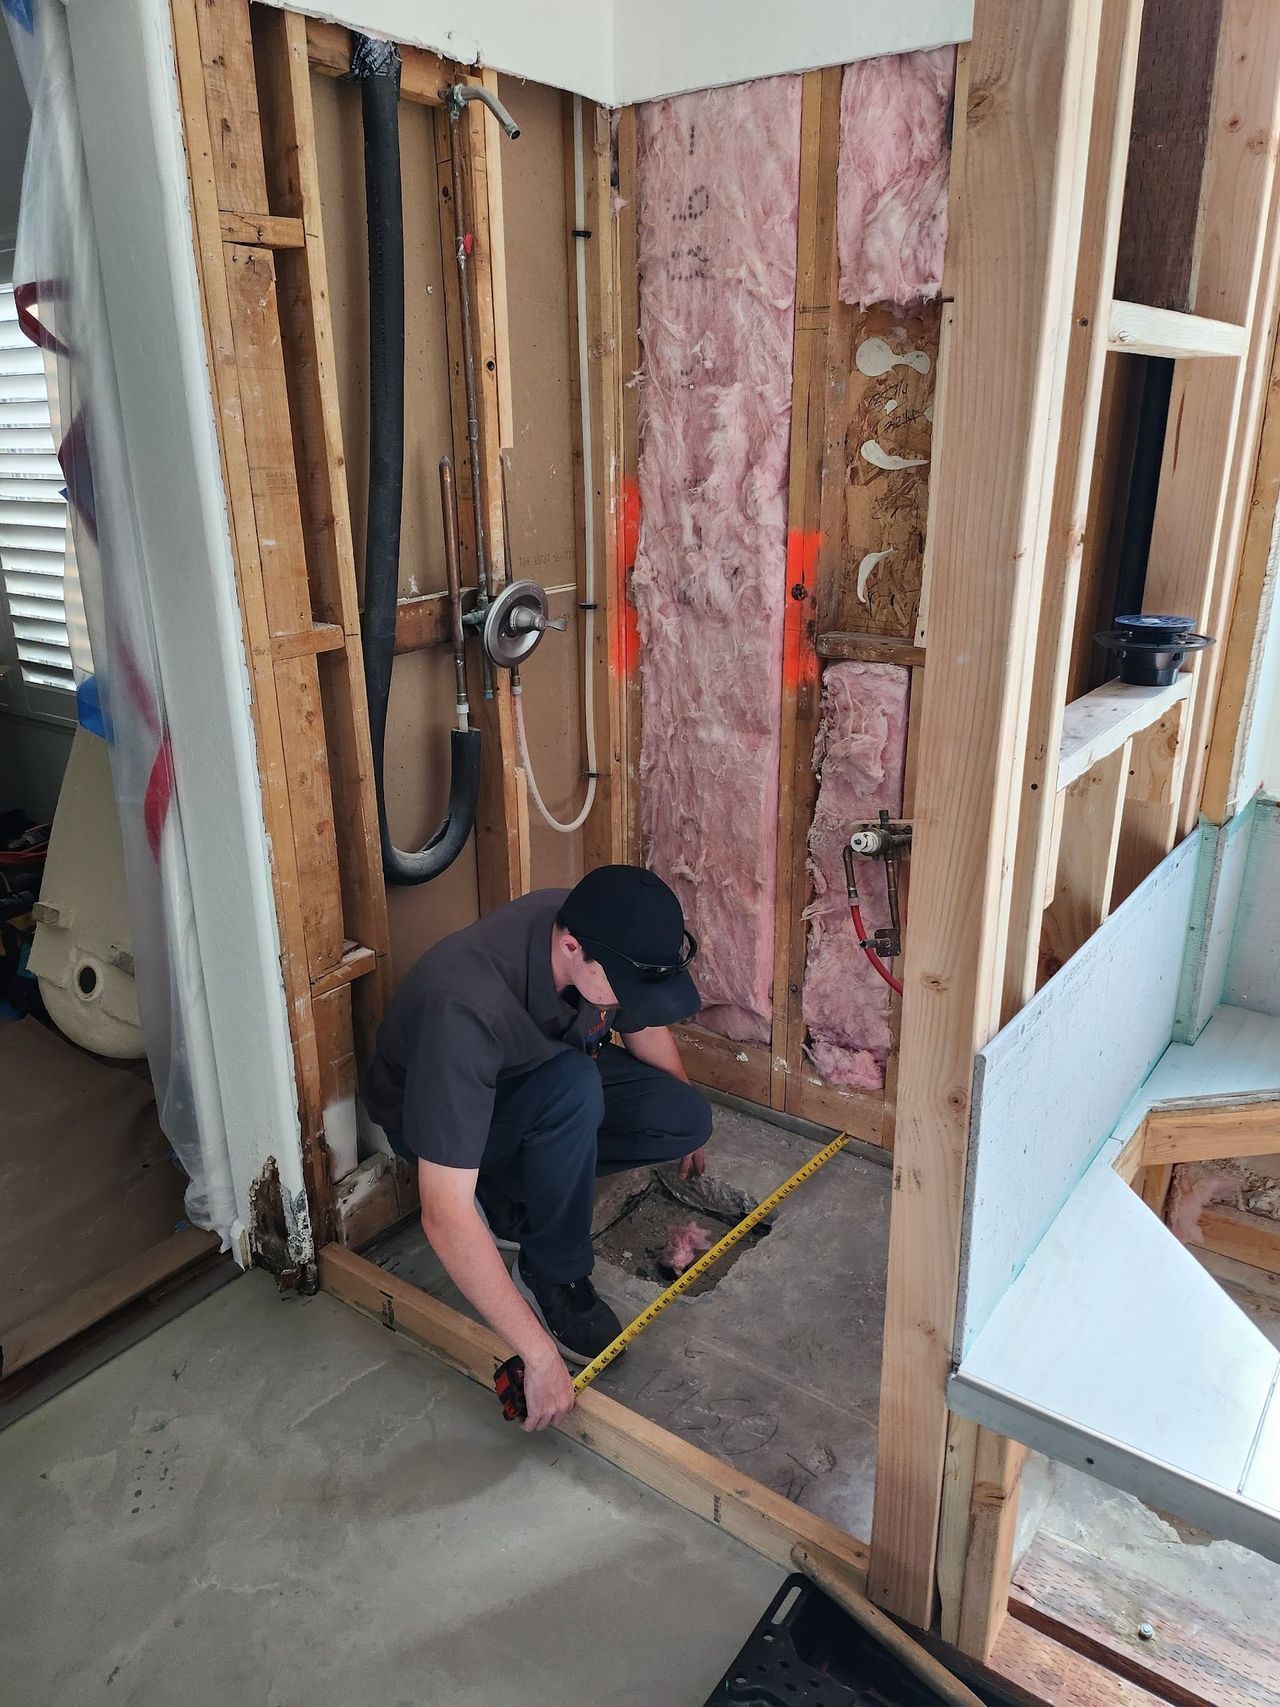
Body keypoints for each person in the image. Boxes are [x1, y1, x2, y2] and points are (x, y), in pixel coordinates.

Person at [363, 864, 712, 1433]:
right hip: (444, 1108)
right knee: (573, 1087)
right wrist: (537, 1355)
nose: (632, 1001)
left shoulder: (591, 927)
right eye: (627, 986)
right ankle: (556, 1274)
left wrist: (683, 1089)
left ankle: (516, 1190)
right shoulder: (465, 1007)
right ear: (573, 948)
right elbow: (444, 1215)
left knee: (681, 1117)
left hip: (538, 1072)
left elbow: (637, 1017)